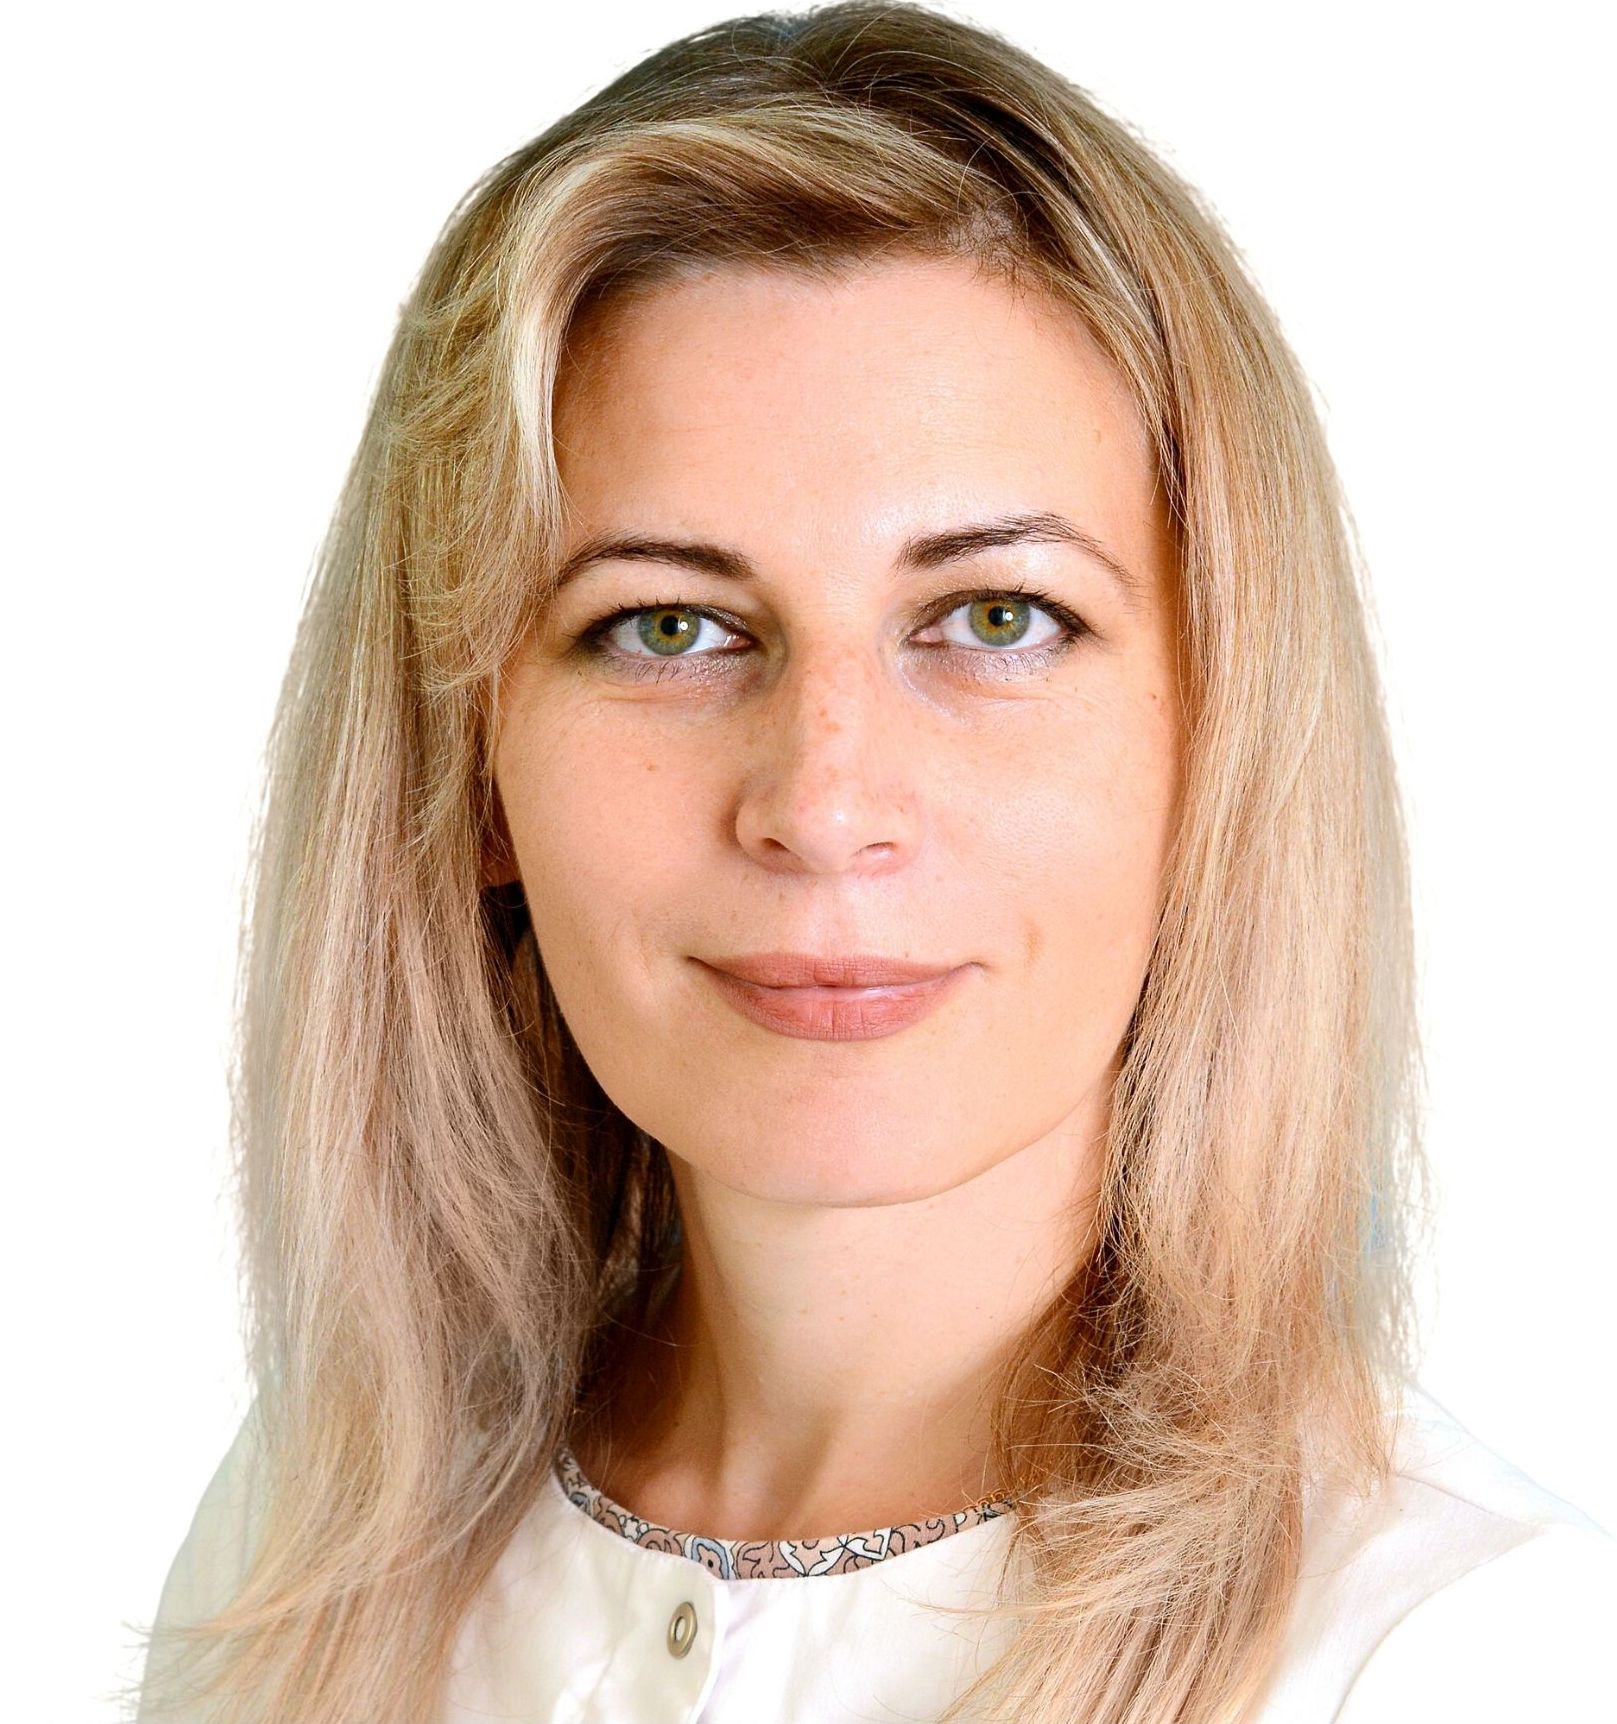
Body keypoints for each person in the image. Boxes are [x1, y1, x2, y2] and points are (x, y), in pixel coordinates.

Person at [128, 4, 1616, 1721]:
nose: (825, 806)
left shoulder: (1465, 1661)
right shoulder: (304, 1552)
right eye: (666, 625)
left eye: (996, 619)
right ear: (466, 763)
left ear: (1219, 740)